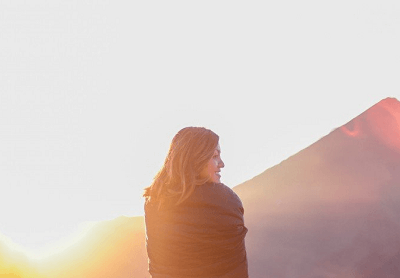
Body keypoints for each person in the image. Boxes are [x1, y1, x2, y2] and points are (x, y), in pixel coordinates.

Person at [143, 126, 248, 278]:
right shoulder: (227, 202)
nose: (222, 163)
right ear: (196, 159)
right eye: (214, 156)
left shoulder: (154, 201)